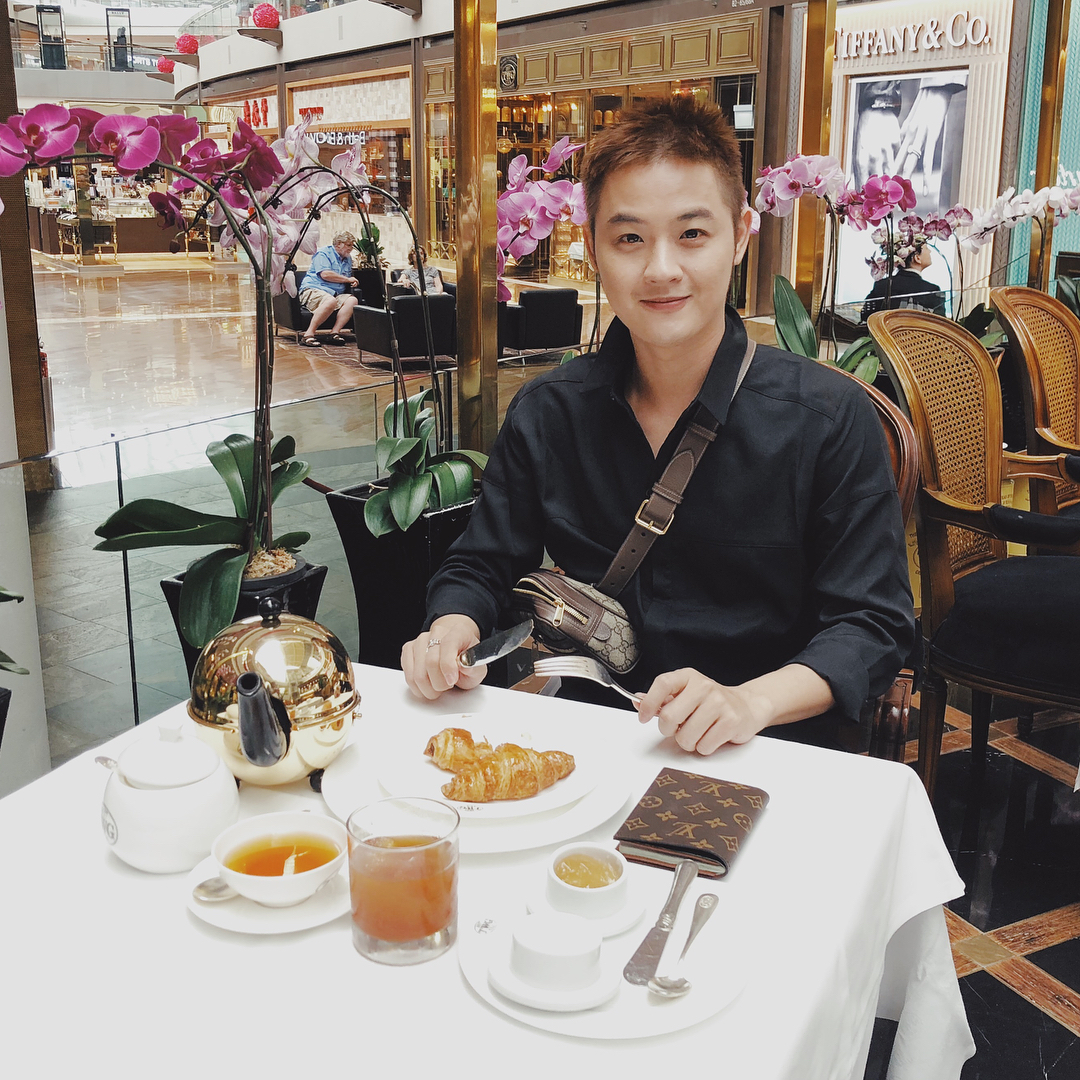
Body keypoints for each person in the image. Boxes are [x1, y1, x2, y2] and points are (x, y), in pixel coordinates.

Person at [402, 96, 914, 755]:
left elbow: (871, 623)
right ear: (593, 248)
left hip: (771, 748)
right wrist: (451, 629)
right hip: (595, 744)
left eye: (692, 234)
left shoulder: (827, 419)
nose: (661, 269)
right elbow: (481, 564)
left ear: (741, 236)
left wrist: (749, 702)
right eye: (629, 238)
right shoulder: (549, 413)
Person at [297, 232, 359, 346]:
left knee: (352, 300)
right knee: (330, 301)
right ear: (338, 244)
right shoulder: (323, 253)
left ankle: (334, 333)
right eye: (348, 245)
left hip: (335, 293)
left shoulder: (347, 259)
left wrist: (351, 281)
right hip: (314, 289)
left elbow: (345, 277)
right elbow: (325, 274)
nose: (351, 248)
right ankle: (308, 335)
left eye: (352, 245)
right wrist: (347, 279)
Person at [861, 242, 946, 322]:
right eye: (926, 248)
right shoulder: (932, 290)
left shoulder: (881, 285)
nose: (930, 251)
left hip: (884, 332)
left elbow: (866, 316)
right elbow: (941, 324)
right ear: (917, 258)